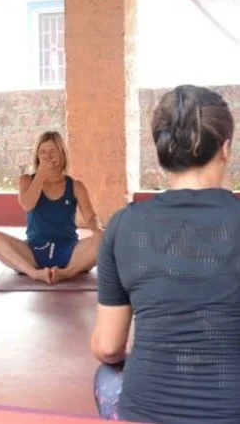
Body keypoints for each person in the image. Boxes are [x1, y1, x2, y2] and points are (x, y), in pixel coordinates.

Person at [91, 85, 240, 423]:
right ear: (226, 148)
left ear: (162, 151)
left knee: (106, 374)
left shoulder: (124, 225)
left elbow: (108, 347)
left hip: (144, 415)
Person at [0, 131, 102, 284]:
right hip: (34, 251)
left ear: (62, 154)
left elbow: (90, 217)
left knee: (106, 238)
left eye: (52, 151)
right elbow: (27, 205)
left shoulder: (76, 185)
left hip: (69, 251)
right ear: (37, 156)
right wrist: (41, 174)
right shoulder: (26, 180)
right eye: (43, 152)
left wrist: (98, 233)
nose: (47, 156)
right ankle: (34, 273)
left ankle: (66, 273)